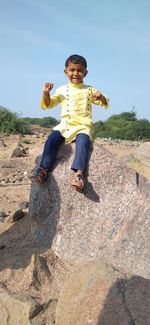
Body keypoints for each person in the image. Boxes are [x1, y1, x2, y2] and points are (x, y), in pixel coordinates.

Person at [32, 54, 109, 190]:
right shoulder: (61, 90)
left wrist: (100, 96)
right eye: (72, 70)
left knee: (83, 143)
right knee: (51, 140)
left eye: (79, 70)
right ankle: (43, 170)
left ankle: (79, 174)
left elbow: (104, 102)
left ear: (85, 72)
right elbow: (49, 104)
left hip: (82, 126)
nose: (76, 73)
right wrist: (46, 93)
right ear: (65, 71)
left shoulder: (90, 90)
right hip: (65, 125)